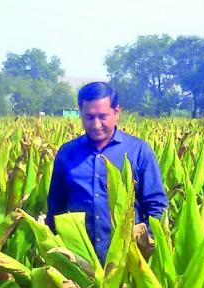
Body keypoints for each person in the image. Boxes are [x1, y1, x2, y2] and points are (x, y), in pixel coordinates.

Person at [46, 82, 168, 264]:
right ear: (81, 114)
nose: (96, 125)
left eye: (102, 116)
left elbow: (156, 205)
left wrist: (144, 246)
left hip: (128, 259)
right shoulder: (67, 153)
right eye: (89, 117)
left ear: (116, 112)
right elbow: (56, 206)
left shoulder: (138, 151)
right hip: (78, 258)